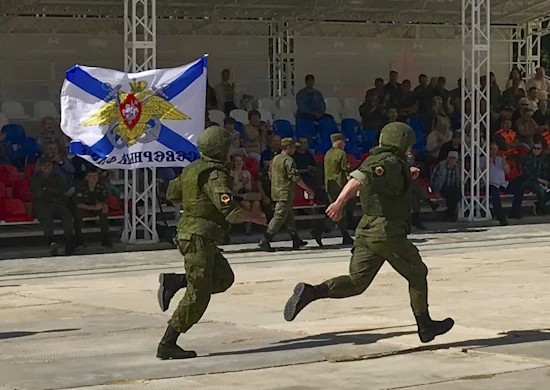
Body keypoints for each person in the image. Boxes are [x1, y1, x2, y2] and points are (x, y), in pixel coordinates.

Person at [282, 123, 454, 343]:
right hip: (386, 232)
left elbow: (382, 184)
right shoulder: (385, 162)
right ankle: (425, 325)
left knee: (357, 283)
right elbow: (359, 178)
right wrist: (338, 204)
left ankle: (312, 292)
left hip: (367, 232)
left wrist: (406, 175)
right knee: (418, 273)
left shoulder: (393, 163)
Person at [155, 126, 267, 360]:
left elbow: (172, 194)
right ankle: (168, 343)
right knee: (199, 294)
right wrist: (255, 217)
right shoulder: (215, 174)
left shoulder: (191, 170)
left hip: (195, 235)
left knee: (224, 278)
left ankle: (175, 281)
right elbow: (229, 210)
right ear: (220, 149)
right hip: (199, 237)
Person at [258, 138, 314, 252]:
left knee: (289, 217)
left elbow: (269, 175)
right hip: (285, 192)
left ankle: (295, 239)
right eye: (293, 147)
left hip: (277, 191)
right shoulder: (288, 160)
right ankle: (265, 239)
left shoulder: (275, 159)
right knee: (279, 217)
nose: (295, 150)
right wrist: (308, 189)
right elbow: (295, 177)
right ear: (288, 147)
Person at [310, 133, 354, 246]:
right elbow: (346, 170)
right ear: (339, 141)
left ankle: (345, 236)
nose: (344, 144)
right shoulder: (341, 154)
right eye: (343, 141)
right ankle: (320, 230)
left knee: (338, 211)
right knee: (339, 211)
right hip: (339, 186)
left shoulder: (327, 154)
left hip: (330, 186)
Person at [30, 158, 75, 256]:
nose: (47, 168)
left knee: (67, 215)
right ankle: (51, 242)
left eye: (49, 165)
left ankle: (69, 241)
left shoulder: (57, 177)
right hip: (42, 204)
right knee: (46, 219)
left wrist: (47, 189)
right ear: (40, 167)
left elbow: (61, 190)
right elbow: (38, 192)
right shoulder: (35, 178)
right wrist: (52, 191)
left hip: (56, 203)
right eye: (44, 166)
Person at [73, 168, 112, 247]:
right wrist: (93, 207)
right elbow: (78, 204)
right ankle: (78, 240)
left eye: (95, 176)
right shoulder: (80, 186)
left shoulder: (101, 185)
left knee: (103, 213)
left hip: (96, 206)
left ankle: (106, 239)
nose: (94, 178)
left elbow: (104, 198)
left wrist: (104, 205)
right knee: (77, 214)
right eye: (91, 176)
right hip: (84, 207)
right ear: (86, 177)